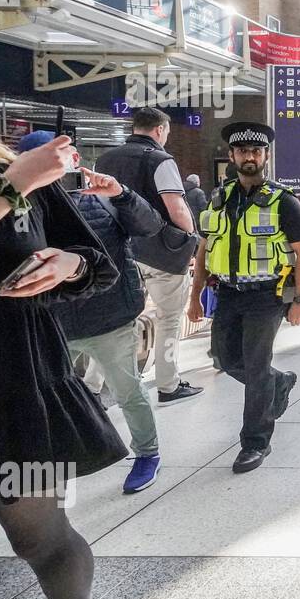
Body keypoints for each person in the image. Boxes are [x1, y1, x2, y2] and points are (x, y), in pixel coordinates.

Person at [0, 113, 125, 599]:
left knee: (37, 533)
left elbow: (96, 265)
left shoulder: (11, 170)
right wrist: (10, 185)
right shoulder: (14, 176)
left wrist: (68, 265)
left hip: (11, 383)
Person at [19, 132, 165, 495]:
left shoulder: (104, 198)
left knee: (127, 388)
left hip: (108, 317)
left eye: (61, 158)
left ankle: (148, 453)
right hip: (51, 323)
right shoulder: (15, 208)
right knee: (36, 400)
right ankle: (18, 487)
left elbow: (150, 227)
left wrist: (122, 194)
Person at [187, 122, 300, 473]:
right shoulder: (218, 198)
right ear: (232, 156)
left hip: (266, 296)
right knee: (227, 360)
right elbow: (204, 249)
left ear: (266, 156)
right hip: (227, 293)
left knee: (255, 367)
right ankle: (280, 381)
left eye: (256, 152)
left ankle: (255, 443)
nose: (250, 157)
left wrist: (299, 301)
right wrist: (194, 296)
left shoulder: (283, 201)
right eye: (243, 151)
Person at [96, 107, 202, 404]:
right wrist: (189, 241)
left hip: (118, 250)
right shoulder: (160, 159)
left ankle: (93, 386)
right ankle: (168, 385)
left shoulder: (105, 159)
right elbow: (176, 206)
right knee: (169, 317)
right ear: (159, 130)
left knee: (115, 320)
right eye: (166, 131)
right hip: (160, 252)